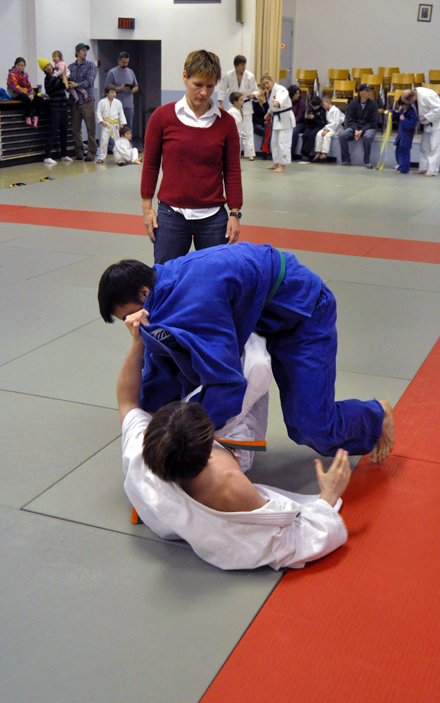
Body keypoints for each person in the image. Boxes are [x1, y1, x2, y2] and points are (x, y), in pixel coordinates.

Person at [98, 244, 395, 464]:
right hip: (260, 315)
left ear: (143, 292)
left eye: (130, 315)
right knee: (181, 375)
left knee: (311, 427)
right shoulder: (162, 290)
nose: (131, 323)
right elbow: (161, 366)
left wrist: (183, 437)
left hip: (303, 310)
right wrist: (150, 424)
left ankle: (375, 415)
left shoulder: (192, 300)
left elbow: (227, 386)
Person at [119, 309, 350, 571]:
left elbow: (127, 400)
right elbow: (292, 542)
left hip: (190, 453)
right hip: (236, 444)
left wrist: (138, 340)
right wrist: (329, 496)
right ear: (210, 446)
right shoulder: (231, 489)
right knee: (257, 365)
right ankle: (248, 321)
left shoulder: (141, 454)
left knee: (198, 376)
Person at [141, 49, 242, 265]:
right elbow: (150, 165)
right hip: (171, 216)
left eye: (210, 86)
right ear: (185, 76)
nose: (204, 93)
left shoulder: (226, 123)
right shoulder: (162, 117)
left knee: (214, 283)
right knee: (166, 281)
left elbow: (232, 170)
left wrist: (235, 213)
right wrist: (147, 208)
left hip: (213, 219)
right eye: (198, 84)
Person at [218, 55, 259, 161]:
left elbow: (256, 90)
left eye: (245, 64)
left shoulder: (250, 76)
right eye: (241, 65)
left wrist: (253, 95)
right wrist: (221, 103)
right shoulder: (228, 75)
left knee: (248, 130)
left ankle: (250, 153)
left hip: (246, 104)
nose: (244, 67)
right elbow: (222, 89)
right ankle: (232, 152)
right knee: (232, 130)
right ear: (236, 65)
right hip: (233, 105)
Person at [38, 59, 72, 165]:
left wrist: (62, 75)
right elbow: (64, 85)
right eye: (45, 67)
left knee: (64, 131)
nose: (48, 67)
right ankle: (47, 156)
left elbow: (66, 87)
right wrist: (64, 75)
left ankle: (64, 154)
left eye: (49, 65)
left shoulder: (56, 76)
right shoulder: (49, 79)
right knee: (53, 131)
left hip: (63, 107)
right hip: (55, 108)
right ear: (44, 70)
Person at [68, 43, 98, 161]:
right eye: (83, 50)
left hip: (87, 100)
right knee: (75, 128)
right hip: (75, 102)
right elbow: (68, 82)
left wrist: (77, 85)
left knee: (90, 127)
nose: (85, 52)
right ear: (77, 52)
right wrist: (69, 86)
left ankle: (91, 152)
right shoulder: (70, 67)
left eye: (86, 50)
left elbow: (90, 81)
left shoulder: (91, 66)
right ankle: (79, 151)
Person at [400, 87, 440, 177]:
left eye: (407, 102)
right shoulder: (415, 93)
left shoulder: (428, 95)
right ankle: (423, 167)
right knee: (424, 146)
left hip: (437, 123)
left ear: (412, 99)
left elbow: (438, 108)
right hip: (427, 124)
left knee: (435, 147)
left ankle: (432, 171)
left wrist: (426, 116)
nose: (407, 104)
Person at [338, 84, 378, 168]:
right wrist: (356, 129)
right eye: (367, 91)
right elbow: (350, 120)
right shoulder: (353, 104)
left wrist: (362, 130)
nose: (369, 93)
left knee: (367, 137)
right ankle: (345, 160)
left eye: (369, 91)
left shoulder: (373, 105)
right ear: (360, 93)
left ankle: (367, 161)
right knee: (342, 135)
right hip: (355, 128)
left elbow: (373, 122)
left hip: (368, 128)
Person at [262, 74, 296, 173]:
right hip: (277, 119)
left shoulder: (281, 89)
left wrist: (278, 102)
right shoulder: (269, 92)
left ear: (272, 80)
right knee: (274, 142)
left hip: (285, 119)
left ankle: (283, 166)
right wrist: (269, 113)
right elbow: (272, 106)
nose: (266, 86)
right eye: (264, 85)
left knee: (283, 142)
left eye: (267, 83)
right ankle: (276, 163)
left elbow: (282, 97)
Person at [106, 51, 139, 134]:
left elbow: (136, 86)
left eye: (127, 62)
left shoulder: (131, 72)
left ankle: (128, 144)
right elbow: (107, 88)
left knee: (128, 127)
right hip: (116, 105)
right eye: (123, 62)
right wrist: (119, 89)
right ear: (118, 60)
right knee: (115, 126)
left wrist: (133, 89)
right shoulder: (112, 72)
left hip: (129, 105)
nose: (125, 64)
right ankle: (115, 145)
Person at [7, 57, 43, 128]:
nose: (20, 67)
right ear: (15, 65)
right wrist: (28, 94)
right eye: (18, 65)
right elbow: (15, 87)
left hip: (25, 93)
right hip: (15, 94)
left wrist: (32, 93)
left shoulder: (25, 74)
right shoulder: (12, 74)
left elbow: (28, 85)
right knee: (27, 99)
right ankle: (27, 116)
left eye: (22, 65)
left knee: (40, 99)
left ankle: (35, 116)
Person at [96, 84, 126, 163]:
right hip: (106, 123)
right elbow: (98, 112)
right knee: (104, 141)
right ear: (107, 93)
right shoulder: (102, 102)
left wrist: (121, 123)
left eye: (114, 92)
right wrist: (101, 121)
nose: (114, 94)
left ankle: (119, 157)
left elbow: (121, 113)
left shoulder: (118, 102)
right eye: (112, 92)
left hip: (115, 124)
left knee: (117, 141)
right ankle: (101, 157)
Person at [313, 97, 345, 162]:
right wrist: (326, 129)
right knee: (319, 134)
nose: (323, 106)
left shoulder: (335, 110)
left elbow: (336, 123)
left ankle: (324, 154)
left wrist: (327, 130)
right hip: (329, 127)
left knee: (327, 136)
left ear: (328, 103)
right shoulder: (328, 111)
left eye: (323, 104)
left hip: (335, 129)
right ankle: (318, 153)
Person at [391, 98, 418, 174]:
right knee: (398, 152)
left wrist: (404, 119)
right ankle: (400, 166)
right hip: (401, 135)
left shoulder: (411, 112)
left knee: (404, 152)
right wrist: (393, 113)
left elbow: (412, 124)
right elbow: (397, 118)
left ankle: (404, 168)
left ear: (406, 104)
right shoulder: (403, 110)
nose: (401, 107)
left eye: (402, 105)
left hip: (407, 136)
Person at [300, 96, 327, 161]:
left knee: (312, 135)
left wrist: (314, 118)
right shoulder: (310, 110)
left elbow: (322, 123)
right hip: (310, 126)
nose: (314, 108)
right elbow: (307, 122)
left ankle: (306, 152)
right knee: (305, 135)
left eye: (315, 106)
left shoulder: (322, 111)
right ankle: (303, 152)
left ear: (319, 105)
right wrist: (308, 118)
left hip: (319, 126)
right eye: (313, 106)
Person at [288, 85, 306, 159]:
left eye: (299, 93)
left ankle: (291, 152)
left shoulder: (301, 102)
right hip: (288, 122)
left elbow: (300, 115)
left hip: (299, 123)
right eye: (296, 93)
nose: (298, 95)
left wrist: (292, 123)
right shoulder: (287, 101)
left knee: (294, 131)